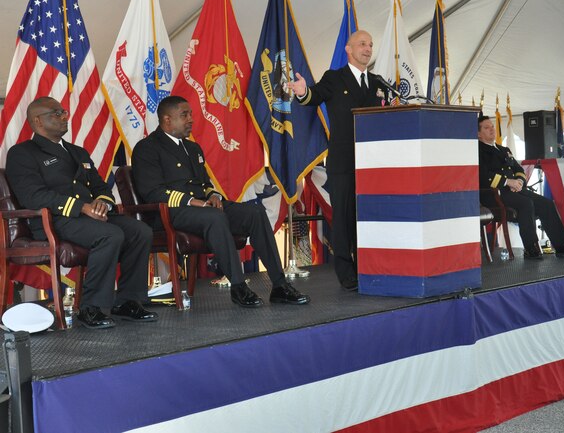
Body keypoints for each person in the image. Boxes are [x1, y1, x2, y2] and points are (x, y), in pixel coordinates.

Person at [131, 95, 310, 308]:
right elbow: (152, 192)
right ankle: (238, 286)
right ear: (167, 119)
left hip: (203, 210)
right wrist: (191, 201)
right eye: (184, 115)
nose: (191, 119)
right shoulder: (147, 148)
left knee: (254, 213)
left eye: (191, 114)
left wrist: (212, 196)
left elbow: (204, 185)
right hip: (170, 213)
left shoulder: (192, 149)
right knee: (214, 217)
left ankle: (279, 285)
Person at [5, 97, 158, 329]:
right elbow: (34, 196)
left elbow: (100, 187)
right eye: (56, 114)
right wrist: (82, 207)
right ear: (37, 121)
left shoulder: (78, 152)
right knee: (110, 234)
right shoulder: (22, 153)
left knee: (141, 231)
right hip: (56, 219)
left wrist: (101, 203)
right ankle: (91, 308)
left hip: (89, 217)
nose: (64, 117)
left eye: (63, 111)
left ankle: (127, 301)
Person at [287, 30, 385, 290]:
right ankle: (346, 272)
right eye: (362, 44)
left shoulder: (378, 83)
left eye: (371, 44)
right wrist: (301, 91)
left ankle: (369, 266)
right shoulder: (334, 78)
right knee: (342, 218)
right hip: (343, 161)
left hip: (373, 163)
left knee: (368, 216)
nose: (368, 48)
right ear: (348, 50)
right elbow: (312, 97)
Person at [478, 115, 564, 259]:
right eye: (487, 128)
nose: (492, 130)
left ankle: (561, 246)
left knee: (546, 204)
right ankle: (531, 248)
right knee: (526, 204)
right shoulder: (477, 151)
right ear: (478, 133)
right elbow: (482, 176)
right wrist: (508, 182)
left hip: (515, 190)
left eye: (492, 126)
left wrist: (519, 181)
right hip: (495, 194)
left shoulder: (504, 149)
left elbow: (518, 169)